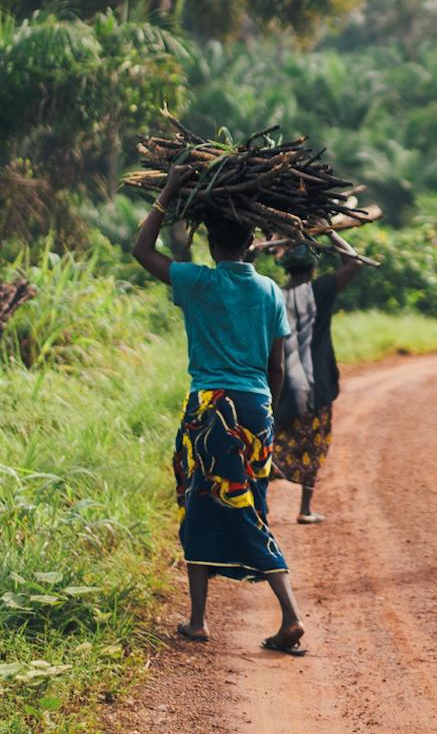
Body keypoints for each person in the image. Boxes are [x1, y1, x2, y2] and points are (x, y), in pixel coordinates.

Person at [132, 163, 307, 655]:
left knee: (217, 505)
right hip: (255, 409)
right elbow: (276, 365)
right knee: (228, 503)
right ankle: (196, 621)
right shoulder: (271, 290)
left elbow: (141, 250)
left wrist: (167, 192)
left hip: (211, 409)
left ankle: (290, 616)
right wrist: (264, 411)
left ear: (211, 244)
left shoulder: (197, 282)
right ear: (251, 241)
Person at [271, 242, 361, 523]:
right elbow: (354, 262)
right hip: (315, 385)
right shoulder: (319, 290)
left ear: (287, 269)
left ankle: (260, 500)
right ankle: (305, 508)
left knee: (276, 441)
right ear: (313, 267)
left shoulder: (274, 295)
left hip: (281, 385)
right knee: (315, 443)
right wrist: (331, 232)